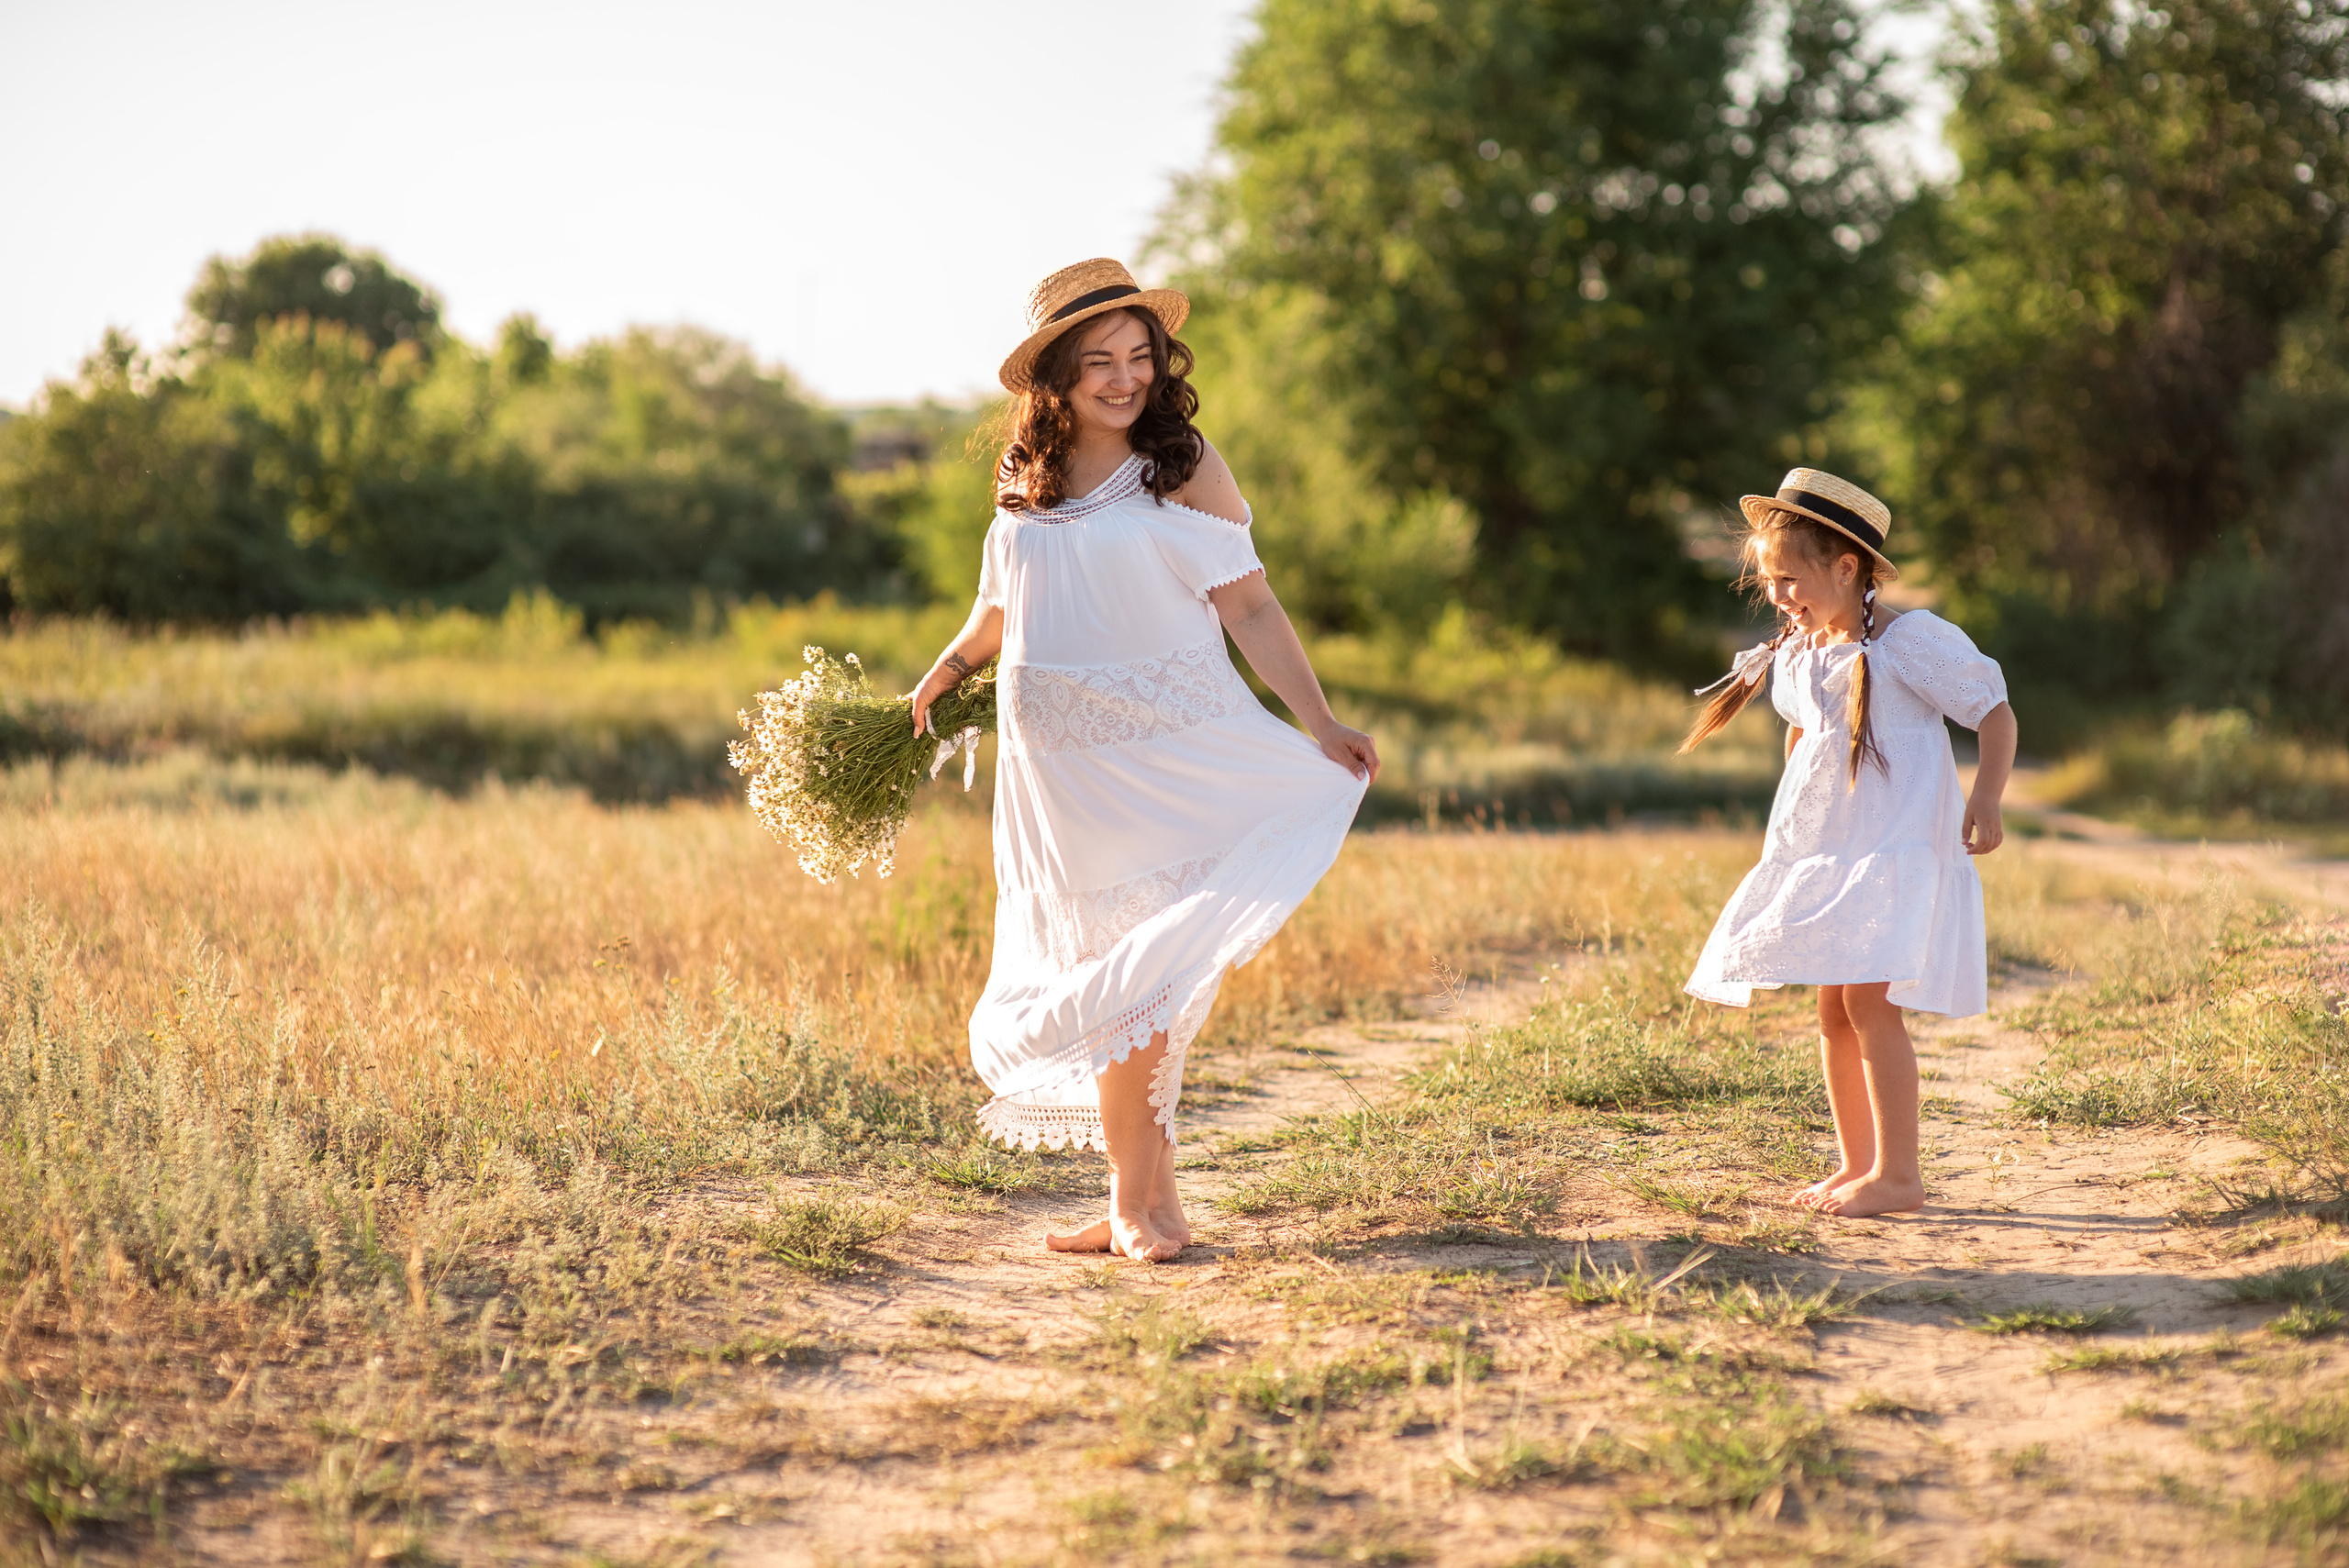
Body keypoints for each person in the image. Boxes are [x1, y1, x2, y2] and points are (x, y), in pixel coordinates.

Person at [908, 259, 1379, 1262]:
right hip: (1054, 778)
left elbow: (1247, 603)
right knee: (1112, 969)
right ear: (1054, 378)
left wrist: (1319, 720)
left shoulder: (1182, 462)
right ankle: (1154, 1206)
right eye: (1099, 363)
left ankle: (1132, 1201)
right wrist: (947, 670)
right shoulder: (1024, 479)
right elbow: (996, 609)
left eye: (1140, 357)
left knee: (1140, 974)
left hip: (1162, 757)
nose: (1125, 379)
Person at [1679, 469, 2018, 1219]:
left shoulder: (1911, 643)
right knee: (1833, 1009)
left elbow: (1993, 713)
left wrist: (1985, 797)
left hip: (1894, 850)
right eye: (1769, 582)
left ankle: (1901, 1175)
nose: (1780, 596)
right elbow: (1807, 735)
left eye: (1791, 578)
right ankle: (1857, 1163)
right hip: (1834, 852)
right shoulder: (1799, 652)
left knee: (1869, 1002)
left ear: (1845, 567)